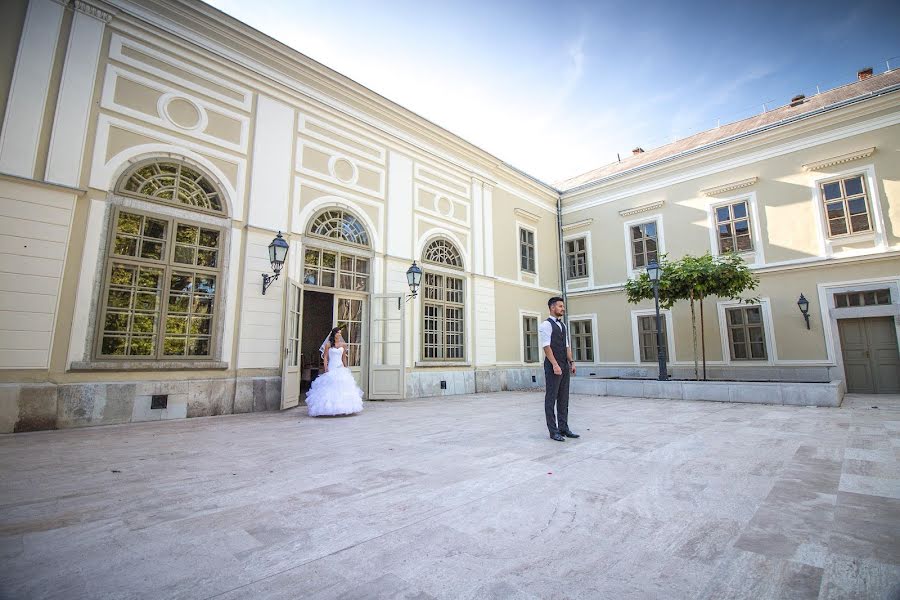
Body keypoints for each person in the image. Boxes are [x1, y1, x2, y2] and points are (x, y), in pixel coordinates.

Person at [539, 297, 579, 442]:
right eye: (560, 306)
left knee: (563, 398)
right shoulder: (546, 325)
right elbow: (546, 346)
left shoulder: (563, 326)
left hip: (564, 364)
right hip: (552, 366)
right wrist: (555, 364)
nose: (563, 308)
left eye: (563, 306)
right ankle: (553, 431)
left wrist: (571, 362)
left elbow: (567, 346)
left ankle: (564, 428)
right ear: (552, 307)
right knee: (551, 398)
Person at [305, 327, 364, 416]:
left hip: (340, 367)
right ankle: (327, 408)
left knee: (342, 387)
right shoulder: (328, 344)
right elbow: (325, 357)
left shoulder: (343, 344)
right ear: (334, 334)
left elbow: (344, 357)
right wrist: (325, 367)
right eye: (338, 333)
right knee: (330, 387)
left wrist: (345, 367)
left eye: (340, 333)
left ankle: (342, 408)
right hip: (331, 366)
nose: (339, 335)